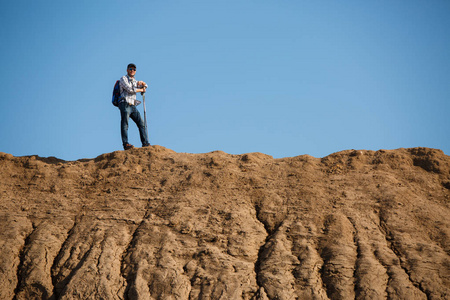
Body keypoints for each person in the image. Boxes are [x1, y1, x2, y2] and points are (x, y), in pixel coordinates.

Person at [118, 63, 150, 150]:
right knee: (125, 124)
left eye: (134, 69)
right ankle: (126, 144)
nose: (132, 71)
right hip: (124, 103)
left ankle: (145, 143)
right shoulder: (123, 78)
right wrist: (141, 89)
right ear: (127, 70)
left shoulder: (135, 81)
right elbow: (130, 90)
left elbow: (146, 86)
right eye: (131, 69)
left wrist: (143, 83)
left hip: (132, 105)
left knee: (141, 123)